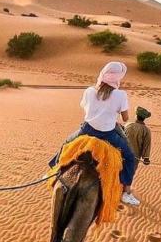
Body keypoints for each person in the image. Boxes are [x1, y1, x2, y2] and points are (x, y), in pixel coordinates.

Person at [49, 61, 140, 206]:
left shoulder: (89, 91)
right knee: (129, 157)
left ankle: (54, 169)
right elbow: (125, 118)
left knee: (66, 144)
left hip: (88, 129)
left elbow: (85, 108)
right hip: (108, 133)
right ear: (118, 78)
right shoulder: (120, 95)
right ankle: (126, 192)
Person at [125, 107, 152, 184]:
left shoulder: (128, 125)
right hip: (134, 158)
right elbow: (147, 145)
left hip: (122, 154)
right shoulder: (146, 130)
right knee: (129, 175)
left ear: (136, 116)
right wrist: (146, 158)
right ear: (144, 118)